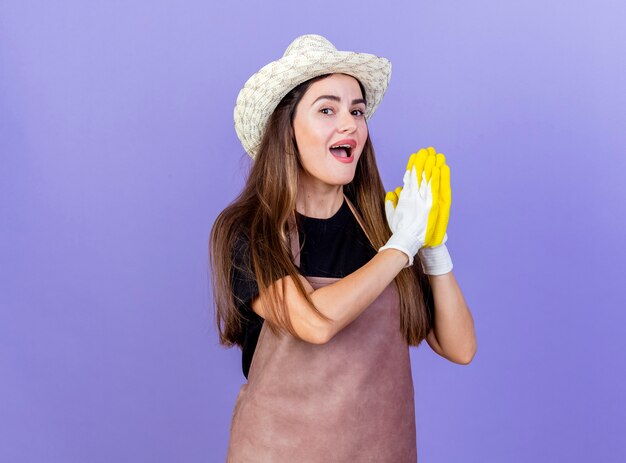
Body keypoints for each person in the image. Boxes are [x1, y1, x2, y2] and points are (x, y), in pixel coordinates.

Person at [209, 34, 477, 462]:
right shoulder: (251, 230)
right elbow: (314, 323)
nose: (350, 123)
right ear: (288, 130)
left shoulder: (380, 229)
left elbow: (459, 346)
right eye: (327, 109)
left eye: (357, 110)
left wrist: (432, 249)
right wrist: (401, 247)